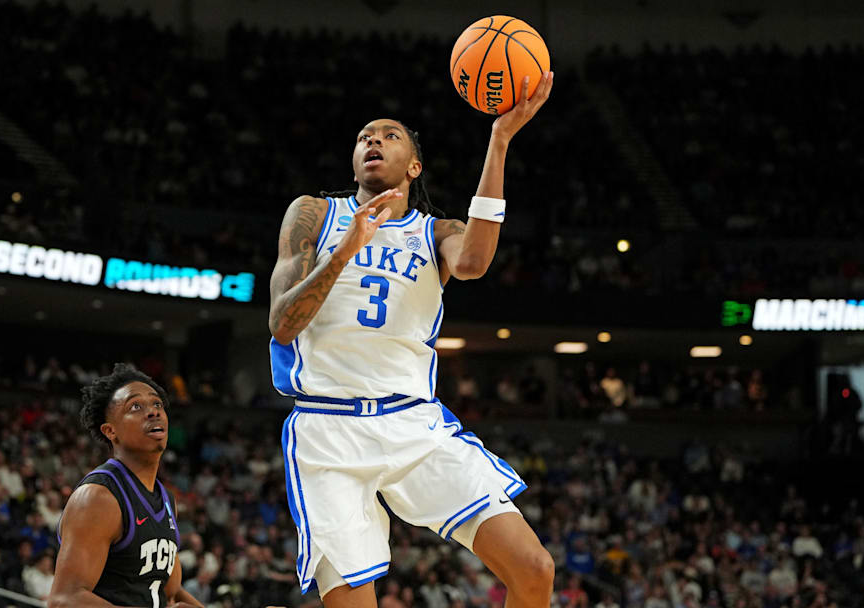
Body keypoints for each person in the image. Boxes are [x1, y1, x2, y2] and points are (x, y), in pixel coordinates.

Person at [267, 71, 555, 607]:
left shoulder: (435, 232)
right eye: (364, 136)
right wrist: (345, 249)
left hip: (413, 422)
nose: (372, 140)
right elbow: (283, 323)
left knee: (533, 568)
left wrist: (499, 139)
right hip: (328, 432)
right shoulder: (313, 214)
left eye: (389, 135)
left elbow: (474, 263)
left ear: (414, 166)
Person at [48, 363, 200, 608]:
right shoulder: (98, 497)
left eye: (157, 404)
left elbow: (171, 593)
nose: (153, 412)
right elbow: (64, 600)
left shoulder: (166, 499)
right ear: (111, 431)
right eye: (136, 406)